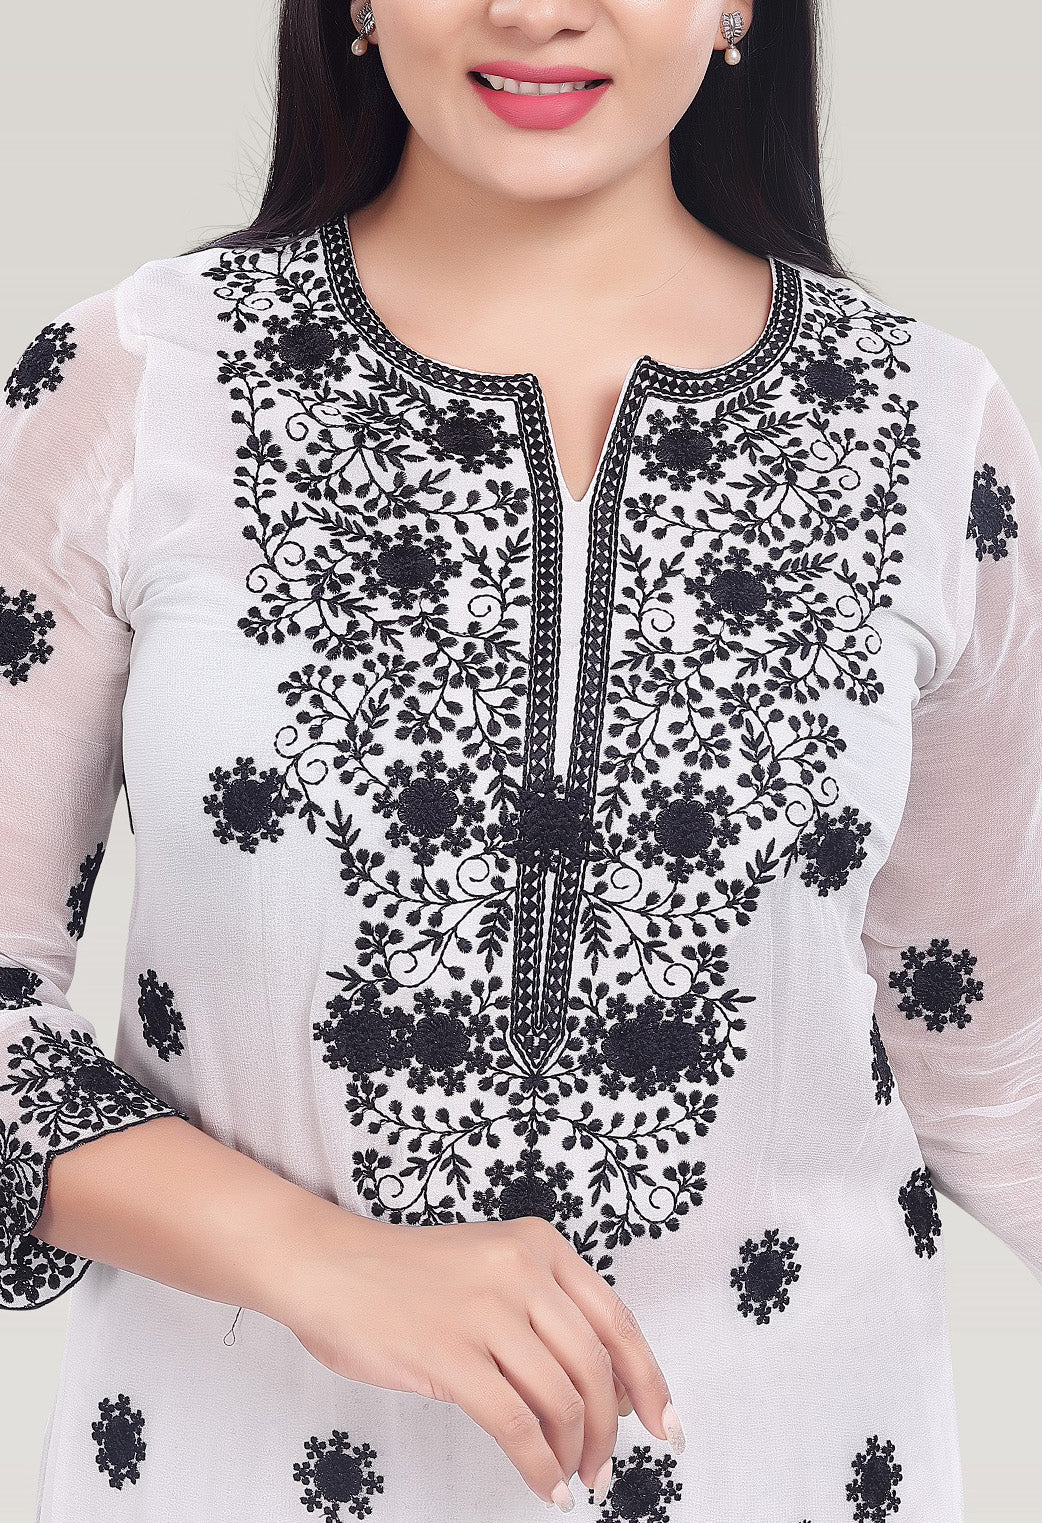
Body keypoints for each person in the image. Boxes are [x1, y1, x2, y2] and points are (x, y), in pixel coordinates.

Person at [2, 0, 1040, 1518]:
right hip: (236, 1466)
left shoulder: (931, 430)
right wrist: (314, 1258)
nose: (538, 11)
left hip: (793, 1468)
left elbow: (996, 1046)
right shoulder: (138, 383)